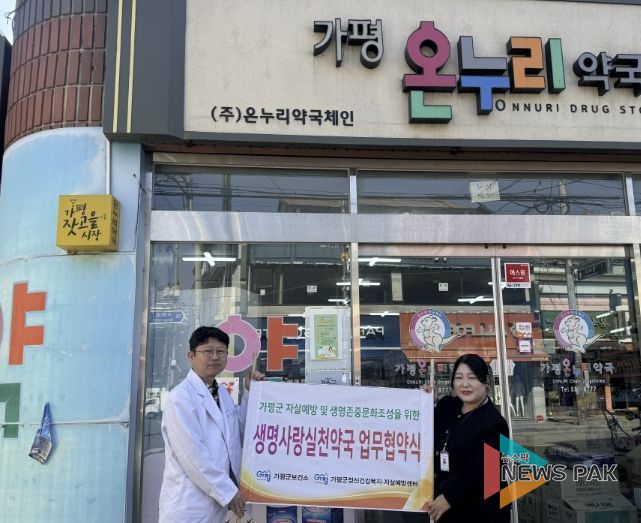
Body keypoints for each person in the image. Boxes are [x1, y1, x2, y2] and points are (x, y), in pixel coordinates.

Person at [159, 326, 264, 523]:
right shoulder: (180, 398)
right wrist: (228, 492)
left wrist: (251, 392)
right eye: (208, 351)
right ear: (191, 356)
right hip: (189, 506)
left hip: (217, 505)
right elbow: (193, 455)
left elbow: (239, 430)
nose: (215, 356)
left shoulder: (221, 393)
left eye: (221, 351)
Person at [426, 354, 510, 523]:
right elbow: (427, 432)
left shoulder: (495, 424)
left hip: (481, 512)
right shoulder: (448, 407)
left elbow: (482, 469)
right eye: (459, 378)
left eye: (472, 378)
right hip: (446, 509)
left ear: (485, 381)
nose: (465, 384)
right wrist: (426, 402)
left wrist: (449, 495)